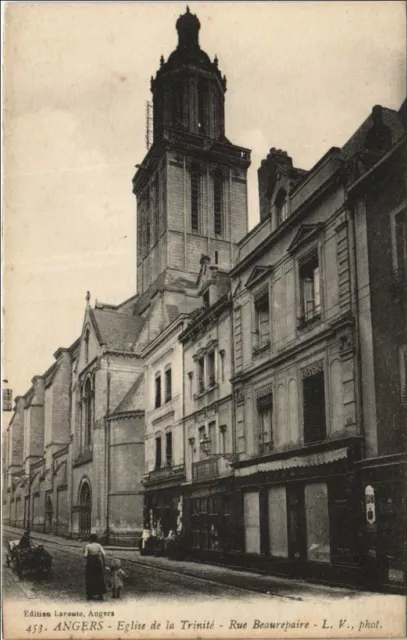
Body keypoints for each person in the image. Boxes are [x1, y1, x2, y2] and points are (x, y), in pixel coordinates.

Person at [83, 534, 107, 600]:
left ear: (90, 539)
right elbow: (104, 554)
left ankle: (90, 594)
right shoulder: (99, 545)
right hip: (97, 562)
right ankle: (100, 594)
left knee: (89, 577)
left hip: (90, 563)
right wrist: (104, 563)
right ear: (96, 539)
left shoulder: (87, 546)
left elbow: (85, 556)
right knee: (99, 577)